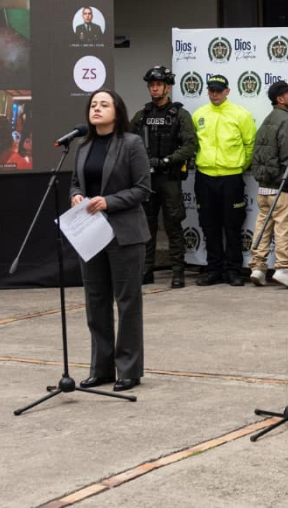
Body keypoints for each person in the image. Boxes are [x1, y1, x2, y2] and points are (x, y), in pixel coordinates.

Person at [69, 89, 151, 392]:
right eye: (93, 105)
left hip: (124, 234)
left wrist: (109, 201)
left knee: (127, 303)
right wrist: (75, 195)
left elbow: (143, 189)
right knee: (96, 301)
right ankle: (101, 368)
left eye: (104, 104)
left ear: (117, 111)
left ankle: (128, 370)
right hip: (90, 234)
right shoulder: (83, 144)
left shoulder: (131, 144)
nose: (97, 109)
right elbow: (76, 182)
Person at [131, 66, 198, 289]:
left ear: (168, 87)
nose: (155, 88)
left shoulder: (180, 114)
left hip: (169, 179)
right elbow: (130, 144)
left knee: (173, 225)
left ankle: (177, 272)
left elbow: (191, 145)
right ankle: (146, 270)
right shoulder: (141, 116)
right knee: (146, 226)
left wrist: (167, 161)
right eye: (152, 85)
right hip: (146, 180)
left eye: (159, 84)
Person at [191, 75, 256, 287]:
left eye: (218, 90)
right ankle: (214, 269)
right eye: (211, 90)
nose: (214, 94)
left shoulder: (240, 114)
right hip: (205, 177)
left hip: (231, 178)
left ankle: (233, 270)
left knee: (232, 226)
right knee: (209, 226)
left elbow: (250, 145)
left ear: (227, 91)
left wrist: (238, 167)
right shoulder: (199, 115)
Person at [248, 80, 288, 287]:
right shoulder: (287, 121)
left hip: (263, 187)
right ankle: (283, 268)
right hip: (280, 187)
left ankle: (258, 267)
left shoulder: (267, 119)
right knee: (284, 228)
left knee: (263, 226)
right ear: (280, 99)